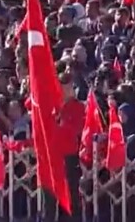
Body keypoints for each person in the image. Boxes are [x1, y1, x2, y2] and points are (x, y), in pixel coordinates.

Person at [44, 73, 85, 222]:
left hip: (70, 157)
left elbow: (79, 130)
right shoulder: (53, 108)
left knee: (71, 195)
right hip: (53, 157)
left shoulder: (79, 107)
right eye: (64, 87)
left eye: (70, 87)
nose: (69, 90)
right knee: (50, 196)